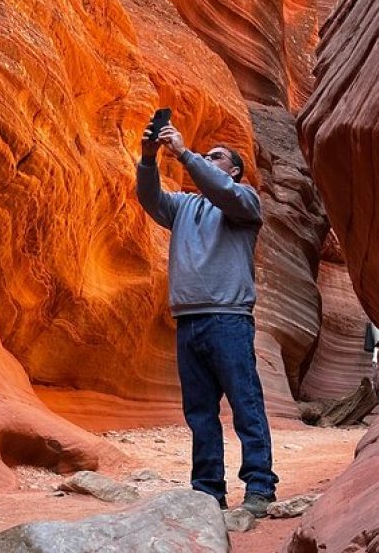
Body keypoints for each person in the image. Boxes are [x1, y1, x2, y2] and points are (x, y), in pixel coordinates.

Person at [135, 120, 278, 517]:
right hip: (189, 321)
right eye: (204, 155)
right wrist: (148, 160)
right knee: (199, 413)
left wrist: (183, 153)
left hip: (228, 319)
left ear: (233, 171)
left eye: (216, 157)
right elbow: (149, 199)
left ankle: (260, 488)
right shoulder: (184, 205)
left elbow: (223, 193)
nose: (206, 160)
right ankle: (207, 492)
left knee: (245, 404)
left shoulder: (244, 202)